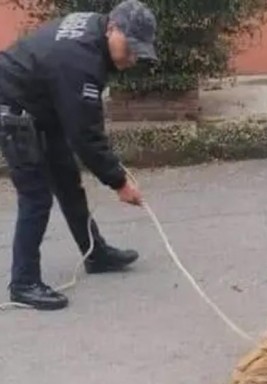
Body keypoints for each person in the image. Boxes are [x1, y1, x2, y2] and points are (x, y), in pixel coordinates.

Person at [0, 0, 158, 310]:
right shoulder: (81, 61)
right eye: (130, 47)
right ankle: (24, 283)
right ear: (113, 29)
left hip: (42, 105)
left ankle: (95, 254)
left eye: (139, 50)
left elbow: (80, 123)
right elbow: (85, 135)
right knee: (36, 196)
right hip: (12, 107)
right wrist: (119, 182)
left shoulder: (96, 34)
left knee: (68, 181)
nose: (133, 57)